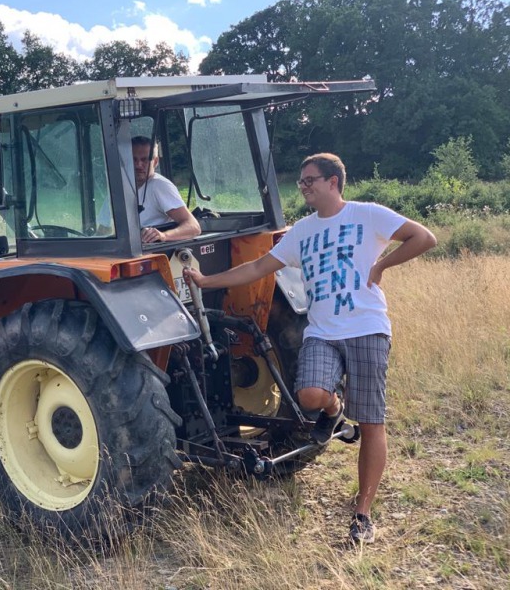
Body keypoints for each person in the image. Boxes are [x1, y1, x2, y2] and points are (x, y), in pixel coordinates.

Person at [183, 153, 437, 545]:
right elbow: (257, 268)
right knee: (309, 396)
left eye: (309, 181)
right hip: (321, 332)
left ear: (333, 182)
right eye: (301, 181)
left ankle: (362, 515)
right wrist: (206, 281)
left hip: (367, 329)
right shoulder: (302, 231)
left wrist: (381, 266)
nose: (303, 187)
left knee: (371, 423)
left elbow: (424, 238)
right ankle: (334, 410)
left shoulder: (367, 215)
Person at [132, 136, 201, 243]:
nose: (138, 165)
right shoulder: (119, 189)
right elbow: (106, 228)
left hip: (152, 249)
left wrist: (163, 235)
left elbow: (193, 227)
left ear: (155, 162)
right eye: (134, 159)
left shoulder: (159, 186)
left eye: (144, 160)